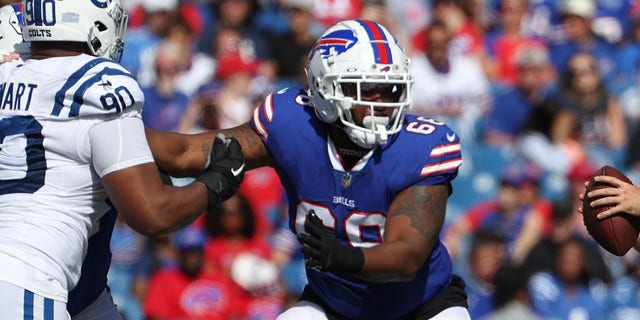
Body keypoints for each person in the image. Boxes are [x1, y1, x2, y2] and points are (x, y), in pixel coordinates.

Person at [147, 19, 471, 319]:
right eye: (365, 88)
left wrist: (342, 257)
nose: (381, 101)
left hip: (421, 306)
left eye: (390, 88)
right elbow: (186, 152)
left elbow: (407, 258)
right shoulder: (292, 124)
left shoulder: (420, 147)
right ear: (327, 90)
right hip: (334, 304)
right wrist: (112, 132)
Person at [0, 1, 245, 319]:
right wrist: (215, 184)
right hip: (31, 276)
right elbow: (152, 213)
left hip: (73, 287)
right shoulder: (92, 85)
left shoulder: (14, 81)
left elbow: (167, 150)